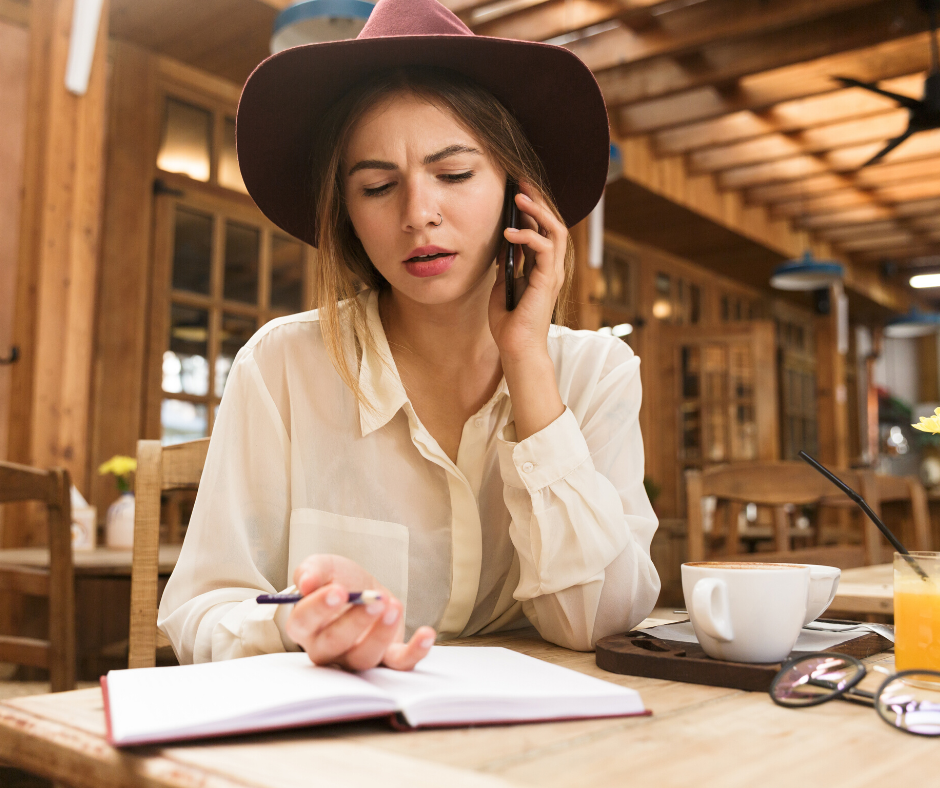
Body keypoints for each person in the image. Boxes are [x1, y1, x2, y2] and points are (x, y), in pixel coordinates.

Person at [158, 0, 660, 671]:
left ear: (519, 191)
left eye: (454, 174)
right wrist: (293, 628)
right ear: (348, 216)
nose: (419, 214)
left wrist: (528, 362)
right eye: (376, 187)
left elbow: (594, 624)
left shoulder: (596, 374)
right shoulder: (281, 366)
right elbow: (201, 611)